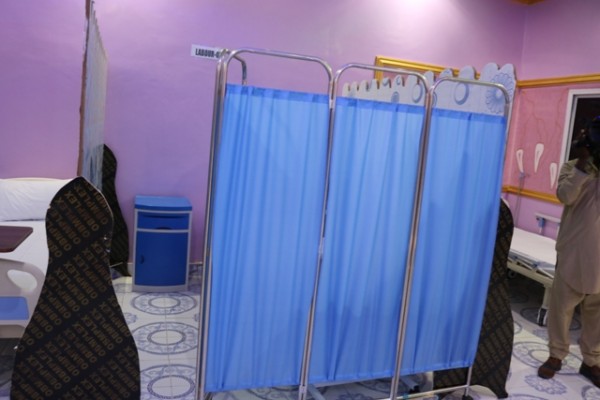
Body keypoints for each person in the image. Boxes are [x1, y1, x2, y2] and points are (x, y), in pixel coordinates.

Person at [537, 116, 600, 388]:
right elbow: (565, 196)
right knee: (561, 309)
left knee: (597, 315)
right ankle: (556, 355)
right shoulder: (572, 167)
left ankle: (592, 360)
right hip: (574, 253)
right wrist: (583, 165)